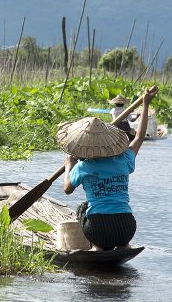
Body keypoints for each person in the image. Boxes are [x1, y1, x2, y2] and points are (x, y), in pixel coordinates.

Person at [61, 87, 157, 251]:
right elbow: (140, 136)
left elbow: (67, 189)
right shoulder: (124, 160)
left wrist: (69, 164)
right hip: (126, 228)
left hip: (98, 229)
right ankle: (125, 245)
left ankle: (97, 248)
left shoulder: (84, 166)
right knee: (118, 226)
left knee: (82, 209)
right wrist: (146, 103)